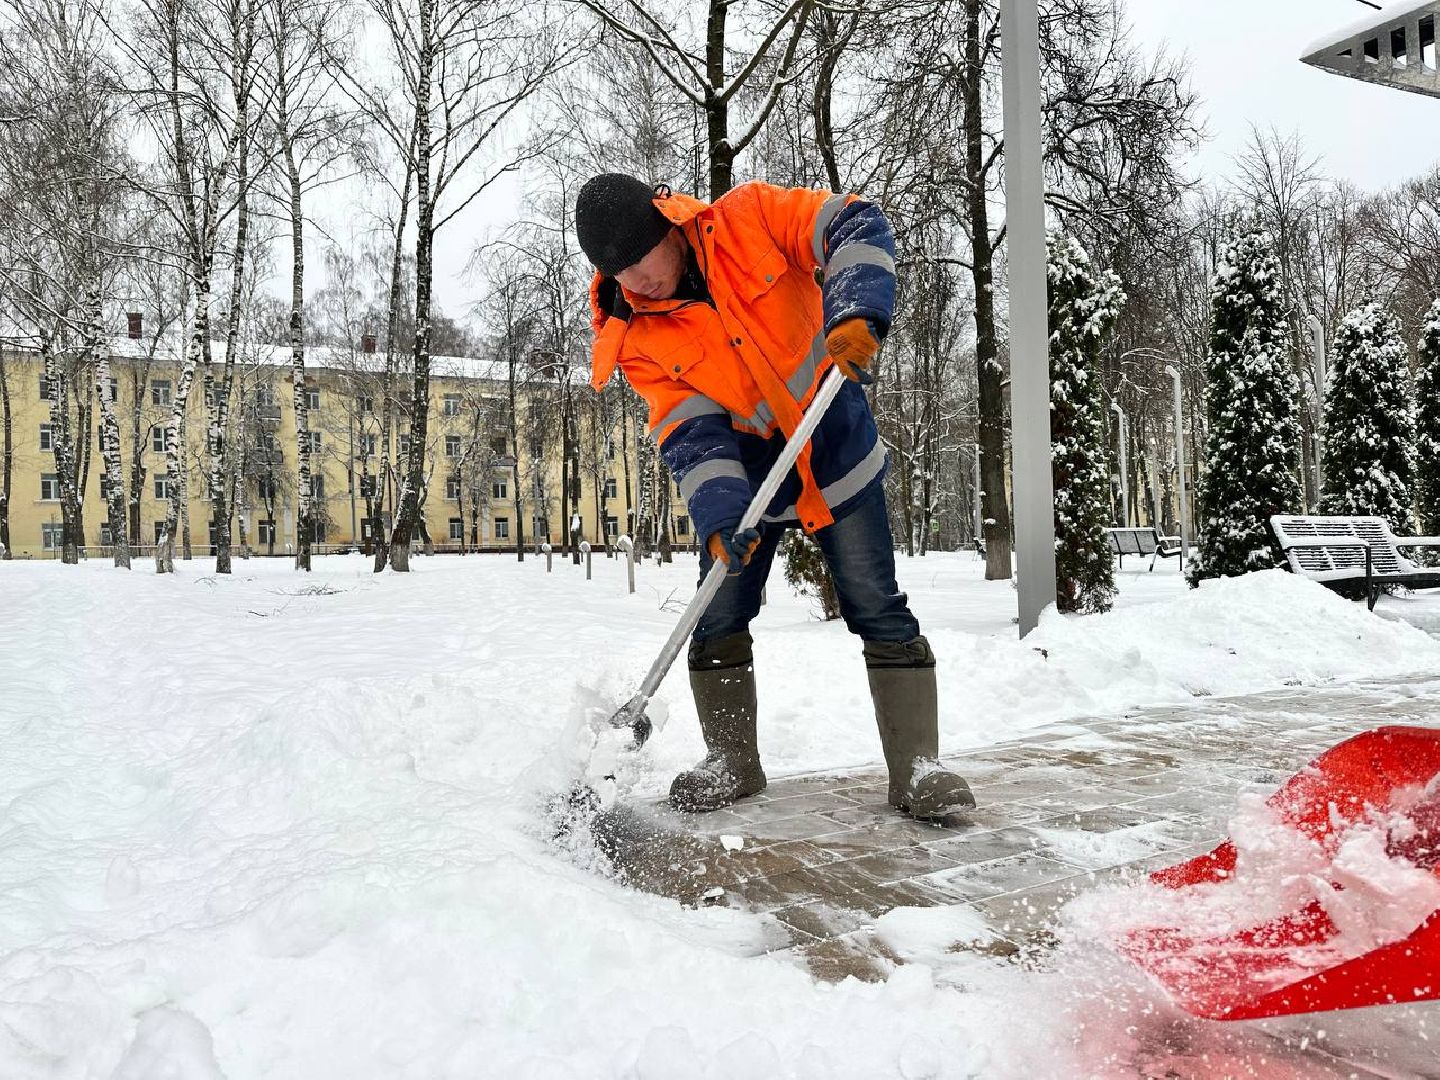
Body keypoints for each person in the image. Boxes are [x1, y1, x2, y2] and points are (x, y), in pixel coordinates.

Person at [576, 173, 974, 820]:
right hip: (747, 481)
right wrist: (720, 516)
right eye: (617, 273)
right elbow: (688, 430)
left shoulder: (750, 219)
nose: (635, 282)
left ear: (667, 229)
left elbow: (855, 222)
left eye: (639, 260)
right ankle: (733, 760)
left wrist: (856, 310)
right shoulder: (634, 336)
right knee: (717, 612)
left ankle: (918, 770)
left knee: (876, 603)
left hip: (831, 447)